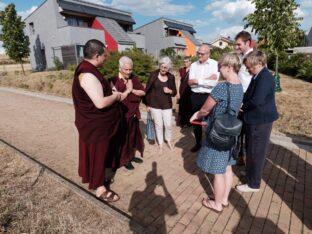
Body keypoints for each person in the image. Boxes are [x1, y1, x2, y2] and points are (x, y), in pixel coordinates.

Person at [72, 39, 125, 202]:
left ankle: (94, 177)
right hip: (95, 126)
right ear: (96, 55)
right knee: (98, 155)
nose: (106, 58)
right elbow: (100, 103)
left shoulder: (90, 69)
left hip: (95, 124)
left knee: (96, 154)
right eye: (104, 55)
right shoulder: (87, 74)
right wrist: (115, 96)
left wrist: (109, 87)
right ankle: (100, 188)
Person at [190, 52, 243, 213]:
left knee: (217, 172)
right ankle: (225, 199)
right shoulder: (239, 85)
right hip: (231, 131)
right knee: (227, 168)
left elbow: (205, 109)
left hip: (218, 133)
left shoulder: (222, 87)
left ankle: (217, 204)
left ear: (228, 67)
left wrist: (196, 114)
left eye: (221, 67)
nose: (219, 71)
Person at [236, 50, 278, 192]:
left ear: (259, 63)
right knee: (250, 148)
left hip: (260, 120)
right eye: (247, 67)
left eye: (250, 67)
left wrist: (243, 107)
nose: (248, 69)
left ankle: (253, 184)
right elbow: (248, 94)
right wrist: (241, 102)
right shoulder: (257, 75)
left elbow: (257, 100)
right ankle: (250, 174)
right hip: (254, 118)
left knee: (256, 151)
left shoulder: (265, 77)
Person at [110, 56, 145, 170]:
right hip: (120, 115)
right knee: (123, 138)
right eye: (126, 70)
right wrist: (128, 91)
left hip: (133, 114)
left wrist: (132, 89)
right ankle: (124, 159)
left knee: (132, 137)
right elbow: (116, 96)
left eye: (130, 69)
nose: (129, 72)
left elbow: (143, 92)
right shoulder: (113, 80)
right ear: (120, 69)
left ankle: (131, 156)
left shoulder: (133, 79)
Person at [188, 44, 219, 152]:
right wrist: (207, 79)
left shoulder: (214, 64)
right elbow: (190, 83)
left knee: (210, 121)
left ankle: (210, 144)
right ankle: (198, 143)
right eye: (198, 53)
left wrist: (198, 81)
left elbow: (214, 82)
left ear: (208, 53)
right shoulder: (193, 65)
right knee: (196, 121)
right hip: (195, 96)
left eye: (202, 53)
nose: (199, 55)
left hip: (209, 96)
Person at [144, 56, 177, 153]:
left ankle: (169, 140)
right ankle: (161, 144)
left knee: (168, 125)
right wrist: (147, 104)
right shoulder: (153, 75)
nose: (163, 69)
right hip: (154, 105)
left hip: (167, 105)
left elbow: (174, 92)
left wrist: (170, 91)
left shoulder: (171, 77)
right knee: (158, 125)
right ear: (159, 66)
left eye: (165, 68)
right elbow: (148, 90)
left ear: (168, 68)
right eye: (161, 67)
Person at [235, 31, 254, 166]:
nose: (237, 47)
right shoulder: (242, 57)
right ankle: (241, 155)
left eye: (239, 44)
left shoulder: (254, 58)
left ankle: (248, 163)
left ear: (248, 43)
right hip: (240, 100)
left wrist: (246, 102)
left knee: (248, 134)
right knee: (240, 131)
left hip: (247, 102)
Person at [177, 56, 192, 128]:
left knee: (189, 106)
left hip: (190, 91)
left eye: (186, 62)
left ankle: (188, 122)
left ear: (190, 62)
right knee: (181, 106)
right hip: (182, 90)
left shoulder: (193, 70)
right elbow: (178, 81)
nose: (185, 63)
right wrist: (177, 92)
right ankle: (182, 122)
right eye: (184, 62)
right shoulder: (182, 70)